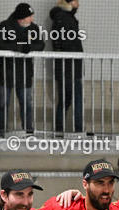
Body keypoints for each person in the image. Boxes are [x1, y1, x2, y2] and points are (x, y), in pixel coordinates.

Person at [0, 3, 44, 135]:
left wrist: (29, 48)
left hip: (25, 73)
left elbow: (41, 45)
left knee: (26, 103)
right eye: (29, 17)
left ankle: (28, 131)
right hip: (5, 72)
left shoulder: (33, 28)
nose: (32, 19)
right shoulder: (4, 26)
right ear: (21, 18)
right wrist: (19, 47)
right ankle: (0, 131)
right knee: (2, 104)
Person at [49, 0, 83, 134]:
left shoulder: (62, 17)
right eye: (76, 1)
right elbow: (67, 43)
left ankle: (59, 131)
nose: (78, 4)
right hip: (69, 67)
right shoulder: (63, 19)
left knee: (64, 101)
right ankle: (78, 131)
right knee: (76, 100)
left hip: (66, 67)